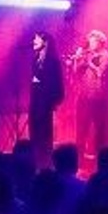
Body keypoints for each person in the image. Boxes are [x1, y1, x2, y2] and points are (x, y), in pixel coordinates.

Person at [67, 30, 108, 155]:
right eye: (90, 41)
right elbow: (76, 71)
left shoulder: (106, 55)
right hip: (83, 95)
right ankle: (79, 156)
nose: (90, 44)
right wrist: (76, 60)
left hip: (98, 97)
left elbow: (100, 72)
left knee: (99, 129)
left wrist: (88, 62)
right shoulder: (88, 55)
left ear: (100, 42)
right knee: (81, 127)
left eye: (93, 41)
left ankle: (100, 156)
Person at [30, 32, 66, 169]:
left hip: (45, 103)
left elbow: (56, 84)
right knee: (35, 133)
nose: (33, 40)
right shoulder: (36, 59)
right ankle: (36, 163)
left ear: (45, 42)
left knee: (44, 135)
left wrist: (39, 82)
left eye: (36, 38)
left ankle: (45, 165)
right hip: (35, 102)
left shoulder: (52, 62)